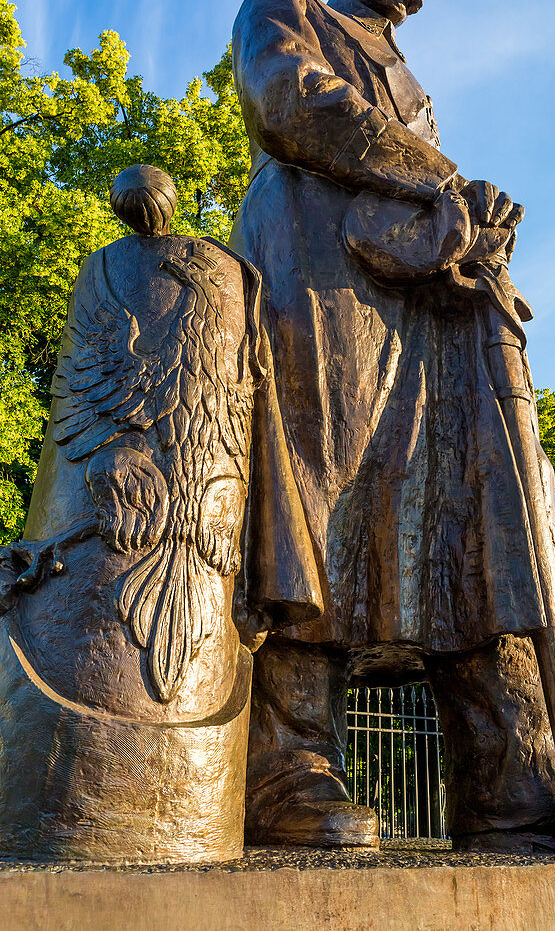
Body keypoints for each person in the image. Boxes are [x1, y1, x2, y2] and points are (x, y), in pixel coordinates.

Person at [228, 0, 555, 854]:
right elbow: (287, 101)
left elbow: (419, 192)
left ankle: (518, 784)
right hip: (313, 279)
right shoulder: (285, 4)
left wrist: (469, 229)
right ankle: (286, 769)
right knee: (318, 502)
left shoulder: (412, 81)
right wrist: (445, 179)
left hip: (424, 305)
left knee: (473, 517)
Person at [0, 165, 321, 861]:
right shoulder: (112, 282)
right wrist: (115, 459)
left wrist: (217, 499)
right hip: (129, 530)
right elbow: (83, 404)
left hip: (199, 528)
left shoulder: (222, 285)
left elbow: (232, 415)